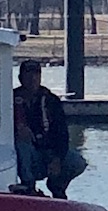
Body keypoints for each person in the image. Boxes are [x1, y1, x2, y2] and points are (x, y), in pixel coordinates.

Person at [12, 59, 72, 195]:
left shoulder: (51, 100)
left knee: (77, 162)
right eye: (28, 74)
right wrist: (16, 130)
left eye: (36, 74)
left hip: (47, 150)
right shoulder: (10, 98)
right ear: (20, 78)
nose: (32, 78)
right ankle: (28, 185)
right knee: (22, 144)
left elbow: (62, 133)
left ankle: (57, 186)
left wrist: (57, 158)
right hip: (24, 153)